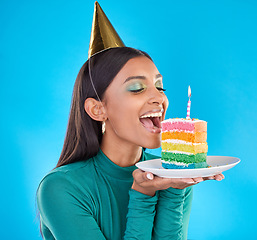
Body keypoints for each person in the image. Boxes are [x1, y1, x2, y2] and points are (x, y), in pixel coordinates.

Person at [37, 3, 224, 240]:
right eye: (136, 88)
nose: (159, 98)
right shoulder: (61, 188)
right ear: (97, 109)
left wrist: (175, 191)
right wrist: (142, 194)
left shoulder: (173, 174)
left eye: (159, 86)